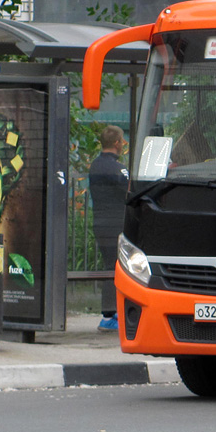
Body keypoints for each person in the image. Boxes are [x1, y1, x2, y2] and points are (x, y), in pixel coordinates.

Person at [89, 125, 129, 332]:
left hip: (100, 223)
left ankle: (109, 314)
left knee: (109, 266)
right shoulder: (117, 168)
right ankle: (112, 315)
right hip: (116, 224)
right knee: (120, 268)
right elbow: (130, 191)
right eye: (122, 141)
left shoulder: (95, 166)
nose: (123, 144)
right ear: (116, 143)